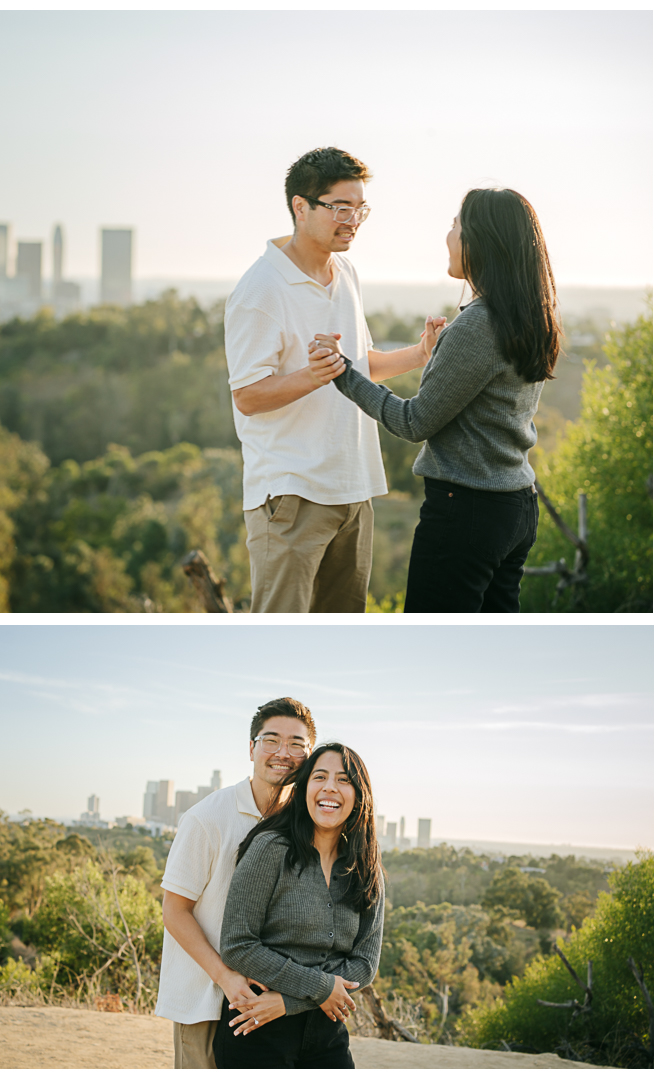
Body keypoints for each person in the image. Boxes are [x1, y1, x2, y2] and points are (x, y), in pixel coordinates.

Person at [308, 187, 561, 613]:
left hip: (467, 511)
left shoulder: (478, 326)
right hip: (515, 506)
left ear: (481, 240)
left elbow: (413, 422)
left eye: (455, 225)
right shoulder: (529, 315)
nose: (448, 236)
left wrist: (344, 373)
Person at [224, 146, 444, 613]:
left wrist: (421, 354)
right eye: (340, 207)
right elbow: (246, 396)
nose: (353, 220)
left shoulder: (345, 271)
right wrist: (313, 375)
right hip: (291, 494)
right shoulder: (259, 290)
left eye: (360, 207)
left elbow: (359, 364)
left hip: (354, 488)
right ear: (300, 207)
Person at [154, 698, 316, 1068]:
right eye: (271, 740)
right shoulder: (207, 818)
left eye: (296, 744)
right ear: (251, 748)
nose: (283, 753)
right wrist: (226, 978)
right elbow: (175, 911)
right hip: (205, 1001)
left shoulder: (304, 823)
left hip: (269, 1006)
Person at [212, 743, 385, 1070]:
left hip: (327, 1032)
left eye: (344, 780)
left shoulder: (365, 866)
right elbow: (237, 945)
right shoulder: (270, 848)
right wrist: (320, 988)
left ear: (359, 796)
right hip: (257, 1027)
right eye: (320, 776)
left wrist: (289, 1003)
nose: (330, 787)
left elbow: (364, 964)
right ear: (304, 788)